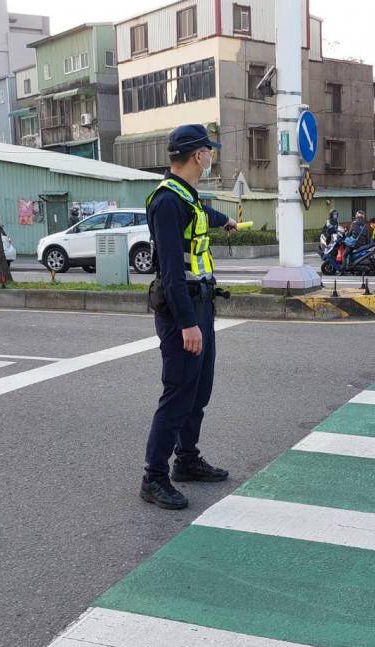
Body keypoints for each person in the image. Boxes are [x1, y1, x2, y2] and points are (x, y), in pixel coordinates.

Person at [141, 124, 239, 510]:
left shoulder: (187, 197)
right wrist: (187, 324)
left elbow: (201, 214)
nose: (211, 156)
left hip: (202, 304)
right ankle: (154, 476)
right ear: (198, 155)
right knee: (178, 393)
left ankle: (186, 460)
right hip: (182, 310)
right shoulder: (167, 201)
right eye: (208, 151)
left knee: (198, 392)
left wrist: (224, 221)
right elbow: (170, 270)